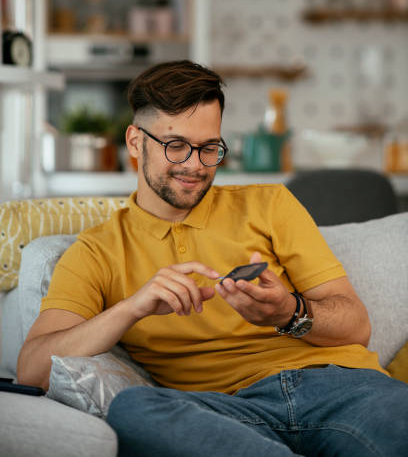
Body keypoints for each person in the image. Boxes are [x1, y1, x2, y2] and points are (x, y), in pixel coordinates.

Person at [18, 60, 408, 457]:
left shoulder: (270, 204)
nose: (195, 165)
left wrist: (289, 313)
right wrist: (131, 308)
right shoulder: (96, 251)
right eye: (176, 145)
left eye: (209, 148)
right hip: (224, 412)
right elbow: (32, 367)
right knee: (134, 410)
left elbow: (356, 326)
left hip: (341, 390)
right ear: (136, 142)